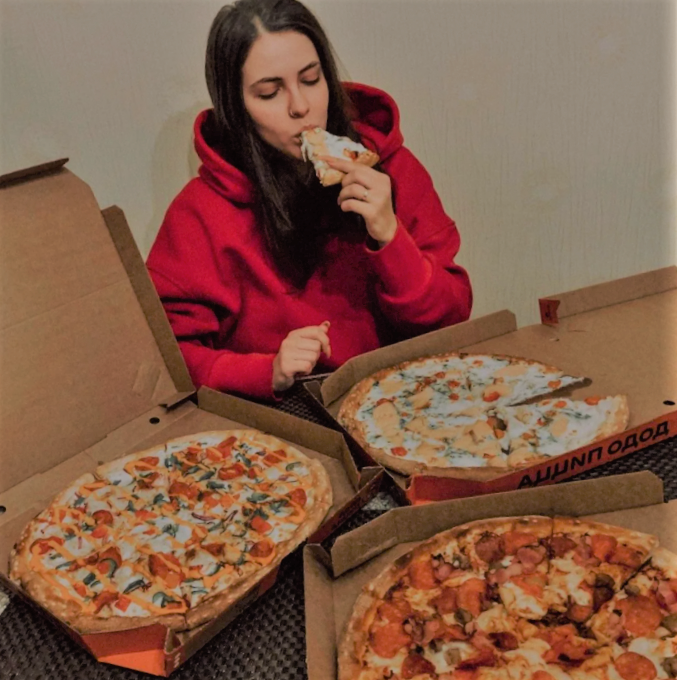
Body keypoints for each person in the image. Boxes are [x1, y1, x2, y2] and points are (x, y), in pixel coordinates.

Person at [146, 0, 472, 401]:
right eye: (270, 92)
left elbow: (453, 318)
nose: (301, 107)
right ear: (236, 107)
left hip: (403, 397)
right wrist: (267, 371)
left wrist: (390, 237)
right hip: (284, 417)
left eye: (311, 80)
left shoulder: (389, 166)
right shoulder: (201, 212)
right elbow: (168, 360)